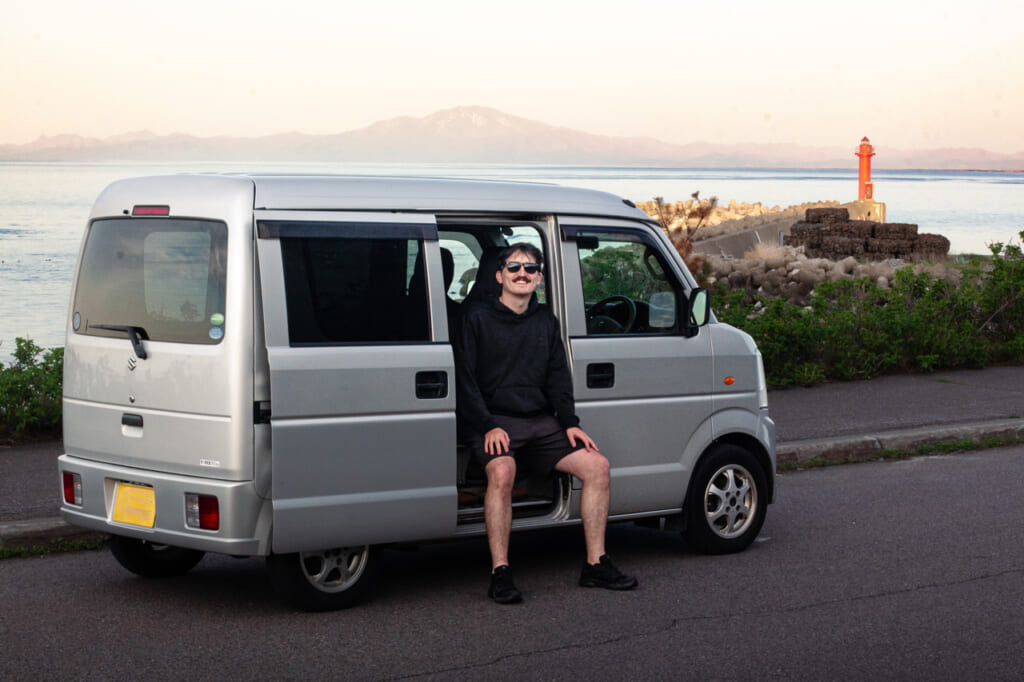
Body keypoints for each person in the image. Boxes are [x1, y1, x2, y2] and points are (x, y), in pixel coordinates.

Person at [454, 242, 638, 604]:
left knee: (597, 466)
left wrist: (569, 422)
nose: (522, 274)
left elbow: (557, 376)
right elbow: (465, 381)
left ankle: (596, 564)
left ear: (538, 278)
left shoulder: (545, 321)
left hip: (541, 423)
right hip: (495, 423)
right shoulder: (476, 318)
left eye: (530, 269)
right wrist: (487, 424)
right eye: (514, 268)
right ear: (499, 275)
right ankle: (501, 572)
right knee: (502, 472)